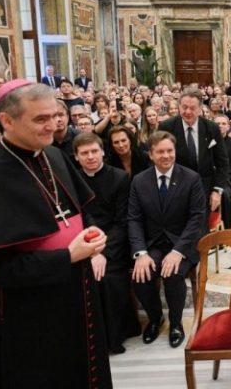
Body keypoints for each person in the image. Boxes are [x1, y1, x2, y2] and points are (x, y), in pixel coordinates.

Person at [0, 80, 111, 387]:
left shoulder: (54, 156)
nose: (53, 125)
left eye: (55, 115)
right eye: (40, 119)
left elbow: (78, 210)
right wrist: (66, 257)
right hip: (27, 312)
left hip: (78, 290)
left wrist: (92, 233)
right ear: (7, 120)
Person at [128, 131, 207, 348]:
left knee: (172, 273)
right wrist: (140, 253)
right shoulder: (139, 181)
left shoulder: (191, 178)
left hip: (183, 243)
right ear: (151, 154)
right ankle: (155, 319)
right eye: (160, 152)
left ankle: (175, 323)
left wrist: (178, 251)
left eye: (170, 151)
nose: (166, 156)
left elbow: (197, 219)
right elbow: (134, 219)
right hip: (153, 243)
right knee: (140, 276)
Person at [74, 132, 140, 354]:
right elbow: (76, 219)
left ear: (102, 152)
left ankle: (112, 338)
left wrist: (103, 253)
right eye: (84, 153)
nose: (90, 156)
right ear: (76, 157)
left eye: (94, 151)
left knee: (108, 278)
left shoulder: (119, 177)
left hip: (114, 243)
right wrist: (90, 251)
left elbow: (123, 222)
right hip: (82, 242)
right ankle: (87, 338)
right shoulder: (72, 180)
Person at [158, 89, 229, 221]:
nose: (188, 111)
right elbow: (159, 160)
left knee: (199, 226)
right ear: (179, 106)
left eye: (192, 108)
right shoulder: (166, 127)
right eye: (184, 107)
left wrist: (217, 190)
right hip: (175, 185)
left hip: (204, 186)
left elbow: (222, 162)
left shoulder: (212, 128)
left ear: (200, 108)